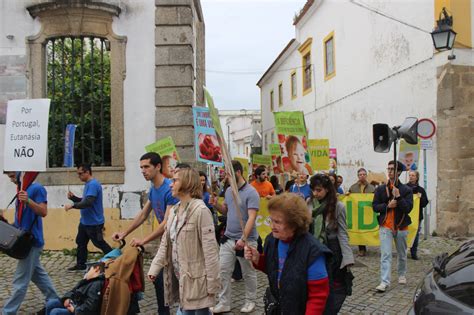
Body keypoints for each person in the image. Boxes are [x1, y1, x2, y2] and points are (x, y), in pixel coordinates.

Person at [112, 152, 179, 315]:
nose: (143, 170)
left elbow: (166, 223)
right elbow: (143, 214)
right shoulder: (153, 189)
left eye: (146, 167)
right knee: (159, 279)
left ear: (158, 167)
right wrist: (124, 233)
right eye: (141, 167)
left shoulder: (169, 189)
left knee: (171, 279)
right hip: (167, 242)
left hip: (177, 241)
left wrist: (143, 240)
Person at [148, 168, 221, 315]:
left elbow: (211, 251)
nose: (170, 184)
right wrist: (154, 268)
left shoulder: (201, 211)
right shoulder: (174, 211)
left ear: (187, 183)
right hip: (180, 277)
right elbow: (165, 243)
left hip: (198, 280)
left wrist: (212, 283)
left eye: (175, 181)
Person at [244, 193, 330, 314]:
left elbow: (318, 296)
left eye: (277, 222)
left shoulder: (313, 251)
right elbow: (274, 269)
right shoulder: (271, 240)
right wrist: (258, 259)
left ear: (295, 223)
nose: (272, 226)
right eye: (271, 220)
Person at [2, 172, 59, 315]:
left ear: (21, 173)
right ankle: (54, 299)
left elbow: (43, 212)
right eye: (9, 177)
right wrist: (7, 224)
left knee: (20, 281)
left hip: (32, 242)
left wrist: (29, 201)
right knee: (37, 274)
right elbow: (21, 223)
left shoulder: (37, 188)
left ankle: (8, 312)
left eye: (12, 175)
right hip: (24, 240)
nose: (11, 180)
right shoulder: (20, 192)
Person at [210, 160, 260, 313]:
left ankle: (250, 301)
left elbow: (252, 217)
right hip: (228, 238)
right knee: (223, 271)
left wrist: (243, 239)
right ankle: (224, 302)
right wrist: (215, 205)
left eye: (228, 174)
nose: (225, 177)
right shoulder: (229, 191)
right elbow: (226, 211)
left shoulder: (251, 192)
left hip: (247, 240)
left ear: (238, 173)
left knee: (248, 272)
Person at [308, 174, 355, 314]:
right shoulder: (309, 203)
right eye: (313, 190)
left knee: (334, 286)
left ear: (327, 189)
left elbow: (342, 233)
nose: (315, 193)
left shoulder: (338, 206)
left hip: (332, 250)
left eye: (318, 190)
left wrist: (347, 258)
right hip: (314, 249)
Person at [373, 160, 413, 292]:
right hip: (386, 226)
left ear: (399, 172)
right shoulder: (380, 189)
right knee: (385, 254)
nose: (389, 171)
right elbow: (374, 206)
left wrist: (399, 197)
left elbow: (408, 209)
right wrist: (387, 206)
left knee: (402, 254)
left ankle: (401, 274)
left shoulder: (406, 190)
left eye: (392, 169)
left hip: (401, 226)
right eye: (388, 168)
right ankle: (384, 281)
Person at [65, 164, 112, 271]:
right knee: (81, 243)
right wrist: (74, 198)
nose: (79, 176)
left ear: (87, 172)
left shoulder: (93, 184)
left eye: (80, 174)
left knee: (99, 243)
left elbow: (88, 202)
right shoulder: (88, 184)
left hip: (94, 223)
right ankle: (81, 264)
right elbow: (84, 200)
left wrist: (73, 205)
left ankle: (116, 259)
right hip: (85, 222)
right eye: (78, 174)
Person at [348, 167, 376, 257]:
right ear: (358, 176)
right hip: (357, 212)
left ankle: (369, 242)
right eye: (360, 175)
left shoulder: (372, 188)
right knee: (359, 230)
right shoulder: (353, 187)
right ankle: (361, 248)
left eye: (364, 174)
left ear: (366, 176)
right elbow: (349, 198)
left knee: (367, 230)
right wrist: (348, 195)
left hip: (368, 212)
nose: (362, 176)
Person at [407, 170, 429, 260]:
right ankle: (402, 250)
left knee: (415, 234)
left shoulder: (421, 190)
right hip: (406, 215)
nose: (411, 177)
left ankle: (413, 252)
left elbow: (424, 203)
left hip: (417, 216)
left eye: (413, 175)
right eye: (410, 175)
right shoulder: (405, 187)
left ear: (416, 177)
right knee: (404, 233)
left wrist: (421, 198)